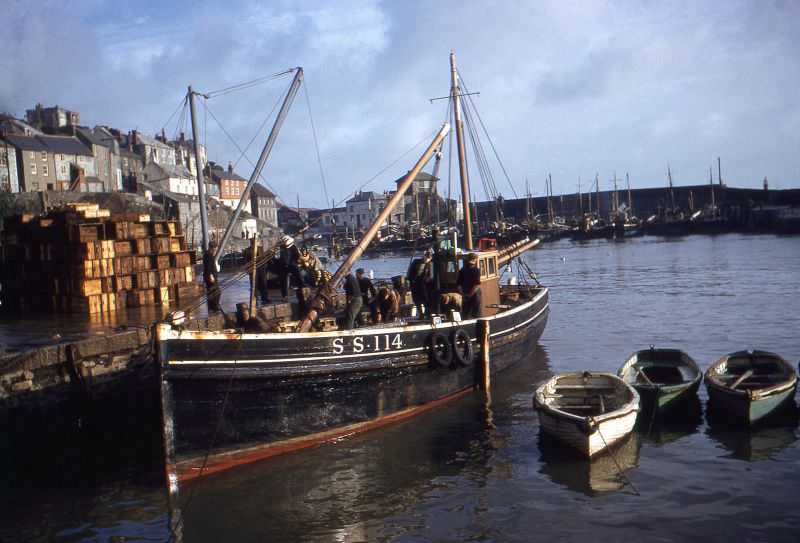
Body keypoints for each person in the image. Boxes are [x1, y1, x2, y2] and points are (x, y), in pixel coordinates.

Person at [407, 249, 433, 317]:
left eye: (429, 259)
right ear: (425, 257)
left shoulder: (428, 264)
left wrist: (426, 280)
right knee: (416, 300)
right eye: (427, 258)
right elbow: (411, 274)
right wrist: (410, 281)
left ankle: (428, 314)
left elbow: (430, 275)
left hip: (423, 285)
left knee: (425, 300)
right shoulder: (416, 262)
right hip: (414, 284)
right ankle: (421, 314)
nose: (428, 260)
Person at [277, 235, 303, 302]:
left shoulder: (293, 247)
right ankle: (285, 296)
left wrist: (295, 262)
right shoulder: (280, 248)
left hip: (292, 265)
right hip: (283, 266)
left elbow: (297, 256)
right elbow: (278, 257)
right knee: (283, 282)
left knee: (300, 278)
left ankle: (300, 292)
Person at [458, 252, 482, 318]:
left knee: (465, 313)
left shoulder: (462, 270)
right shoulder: (476, 270)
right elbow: (476, 285)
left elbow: (459, 285)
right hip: (474, 295)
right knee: (476, 313)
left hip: (464, 293)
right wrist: (469, 295)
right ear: (475, 260)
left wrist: (464, 295)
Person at [202, 240, 222, 312]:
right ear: (212, 247)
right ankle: (214, 307)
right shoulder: (208, 254)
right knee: (216, 292)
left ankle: (212, 307)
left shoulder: (209, 254)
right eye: (215, 248)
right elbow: (207, 266)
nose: (216, 250)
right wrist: (210, 275)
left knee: (212, 292)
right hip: (210, 276)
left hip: (212, 275)